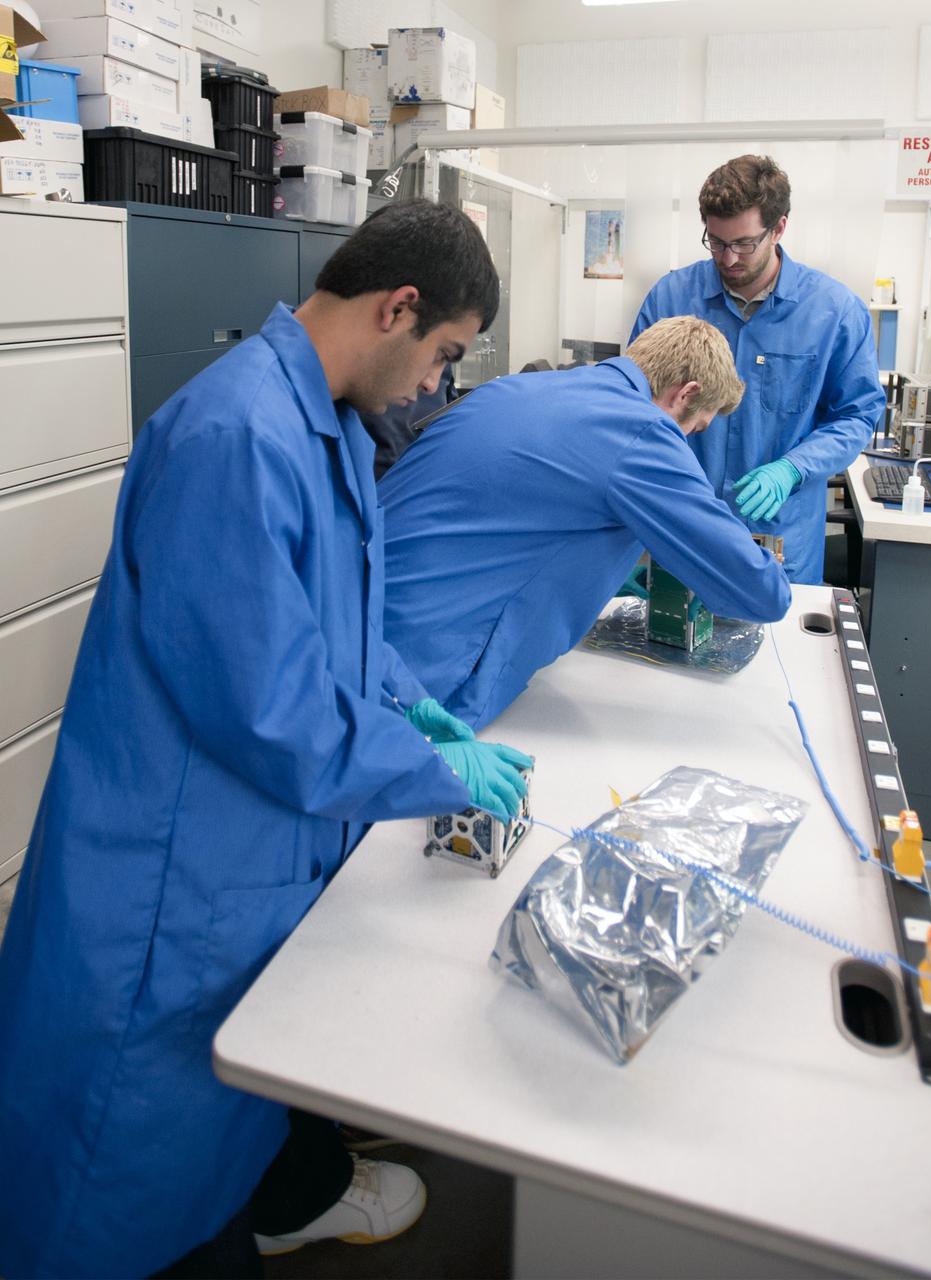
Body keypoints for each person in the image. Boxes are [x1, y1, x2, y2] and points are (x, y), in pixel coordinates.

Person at [0, 198, 533, 1280]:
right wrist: (436, 769)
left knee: (212, 1161)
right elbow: (272, 707)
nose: (437, 383)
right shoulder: (235, 436)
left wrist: (411, 702)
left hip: (240, 870)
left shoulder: (327, 420)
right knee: (112, 1178)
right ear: (398, 308)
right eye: (442, 355)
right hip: (162, 888)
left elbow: (338, 621)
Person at [380, 316, 792, 732]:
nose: (684, 441)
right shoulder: (640, 430)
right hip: (414, 687)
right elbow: (761, 593)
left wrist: (612, 564)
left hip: (349, 637)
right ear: (684, 394)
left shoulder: (512, 387)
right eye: (693, 428)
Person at [630, 154, 886, 585]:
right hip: (680, 527)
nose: (728, 258)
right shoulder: (670, 298)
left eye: (744, 244)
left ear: (779, 227)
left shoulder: (835, 312)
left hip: (777, 535)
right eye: (715, 242)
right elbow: (633, 403)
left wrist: (793, 468)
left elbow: (857, 415)